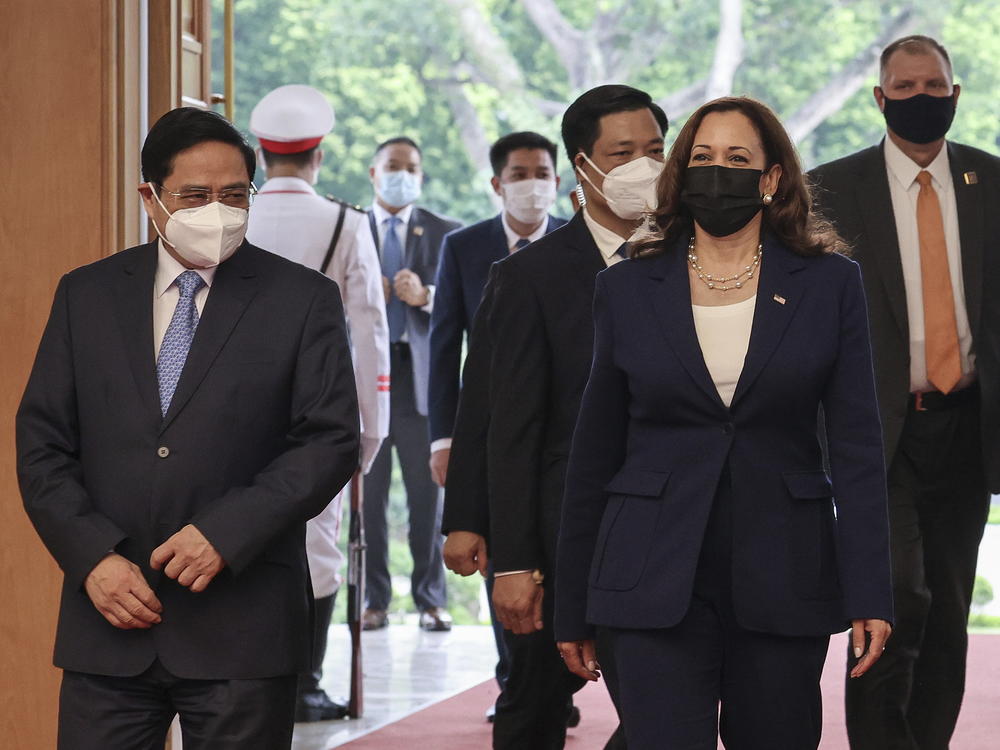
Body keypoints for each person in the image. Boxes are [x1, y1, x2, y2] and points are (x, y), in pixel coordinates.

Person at [554, 96, 893, 749]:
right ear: (680, 172)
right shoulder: (627, 286)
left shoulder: (830, 284)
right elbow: (593, 452)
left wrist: (871, 591)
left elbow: (857, 449)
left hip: (783, 571)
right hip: (651, 570)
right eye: (703, 157)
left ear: (770, 179)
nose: (718, 171)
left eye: (737, 158)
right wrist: (573, 602)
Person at [16, 107, 360, 750]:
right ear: (150, 197)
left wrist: (226, 533)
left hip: (244, 623)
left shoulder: (301, 298)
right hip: (109, 623)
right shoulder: (85, 295)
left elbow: (329, 440)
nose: (218, 210)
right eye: (195, 195)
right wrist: (93, 557)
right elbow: (43, 443)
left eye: (234, 195)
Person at [809, 35, 1000, 750]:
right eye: (905, 86)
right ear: (879, 97)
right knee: (891, 598)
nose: (922, 98)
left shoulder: (992, 180)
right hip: (873, 430)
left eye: (934, 86)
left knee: (947, 609)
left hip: (967, 426)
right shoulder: (830, 189)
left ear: (955, 93)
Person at [464, 84, 667, 750]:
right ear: (582, 166)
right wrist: (514, 560)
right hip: (562, 539)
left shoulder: (698, 263)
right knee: (536, 704)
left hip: (671, 530)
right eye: (624, 152)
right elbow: (506, 423)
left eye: (656, 150)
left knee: (666, 709)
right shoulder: (531, 276)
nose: (645, 165)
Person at [246, 84, 390, 722]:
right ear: (319, 156)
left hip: (230, 405)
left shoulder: (234, 214)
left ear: (259, 151)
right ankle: (303, 683)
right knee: (316, 543)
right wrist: (370, 427)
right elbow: (369, 332)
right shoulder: (345, 222)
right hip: (316, 410)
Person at [433, 130, 564, 720]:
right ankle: (516, 670)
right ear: (497, 183)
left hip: (559, 433)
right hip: (487, 432)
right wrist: (445, 439)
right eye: (520, 174)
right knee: (504, 551)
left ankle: (550, 678)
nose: (531, 184)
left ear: (558, 181)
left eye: (542, 172)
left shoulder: (577, 245)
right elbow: (446, 351)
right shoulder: (465, 247)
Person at [364, 136, 461, 632]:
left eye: (412, 168)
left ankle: (430, 599)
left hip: (422, 378)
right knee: (369, 497)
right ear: (374, 173)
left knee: (428, 497)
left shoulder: (446, 232)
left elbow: (470, 303)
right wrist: (365, 295)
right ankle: (372, 600)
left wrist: (426, 295)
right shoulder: (352, 230)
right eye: (393, 166)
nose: (403, 174)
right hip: (367, 380)